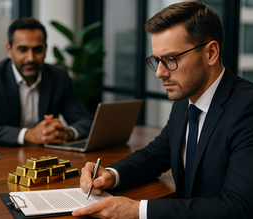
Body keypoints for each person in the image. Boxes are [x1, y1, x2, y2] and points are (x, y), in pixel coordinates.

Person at [73, 1, 253, 219]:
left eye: (171, 59)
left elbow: (237, 206)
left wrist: (137, 210)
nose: (159, 73)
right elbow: (154, 156)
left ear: (211, 53)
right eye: (157, 60)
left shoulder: (247, 108)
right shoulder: (185, 100)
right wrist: (110, 174)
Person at [0, 17, 92, 146]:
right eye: (23, 49)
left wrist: (67, 133)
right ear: (9, 50)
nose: (31, 58)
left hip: (45, 158)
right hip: (4, 157)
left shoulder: (59, 76)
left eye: (37, 50)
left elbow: (85, 121)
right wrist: (27, 134)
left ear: (45, 49)